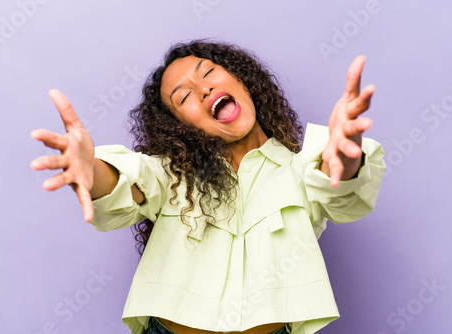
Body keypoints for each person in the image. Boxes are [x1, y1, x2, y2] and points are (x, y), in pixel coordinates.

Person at [31, 41, 385, 334]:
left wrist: (345, 153)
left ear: (243, 80)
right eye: (184, 98)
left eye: (209, 73)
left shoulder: (300, 168)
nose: (203, 90)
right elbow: (133, 179)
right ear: (183, 126)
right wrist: (91, 167)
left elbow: (336, 183)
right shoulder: (173, 174)